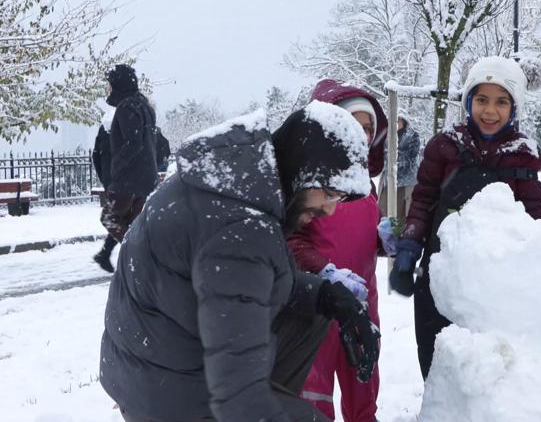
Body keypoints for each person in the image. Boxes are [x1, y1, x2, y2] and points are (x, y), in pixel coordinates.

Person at [99, 102, 381, 422]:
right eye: (329, 193)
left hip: (151, 363)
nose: (330, 209)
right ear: (303, 169)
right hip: (168, 392)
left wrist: (328, 297)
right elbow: (238, 401)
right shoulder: (241, 227)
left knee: (312, 313)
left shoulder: (243, 183)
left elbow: (255, 280)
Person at [389, 56, 541, 379]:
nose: (490, 111)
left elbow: (534, 222)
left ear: (514, 107)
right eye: (482, 99)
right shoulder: (444, 147)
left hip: (494, 284)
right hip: (439, 274)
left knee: (488, 371)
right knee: (439, 364)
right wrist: (408, 250)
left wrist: (536, 271)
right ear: (468, 101)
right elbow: (423, 201)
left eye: (501, 101)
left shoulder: (523, 155)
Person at [288, 79, 390, 422]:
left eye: (367, 128)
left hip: (362, 298)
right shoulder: (309, 181)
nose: (361, 135)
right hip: (318, 301)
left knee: (363, 374)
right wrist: (325, 271)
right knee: (314, 387)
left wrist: (383, 240)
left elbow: (360, 234)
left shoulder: (367, 185)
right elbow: (293, 239)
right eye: (352, 126)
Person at [102, 64, 158, 242]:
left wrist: (116, 165)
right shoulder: (144, 105)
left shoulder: (127, 106)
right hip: (145, 177)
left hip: (128, 180)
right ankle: (139, 259)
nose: (108, 88)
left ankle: (138, 255)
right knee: (132, 223)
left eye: (110, 83)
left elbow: (133, 142)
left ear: (117, 84)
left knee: (109, 218)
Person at [378, 111, 422, 220]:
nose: (393, 123)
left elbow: (411, 158)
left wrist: (390, 155)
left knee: (401, 216)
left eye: (397, 120)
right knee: (383, 212)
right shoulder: (386, 135)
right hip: (388, 180)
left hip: (405, 182)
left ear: (403, 120)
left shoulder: (412, 136)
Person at [92, 111, 119, 273]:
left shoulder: (104, 127)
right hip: (126, 181)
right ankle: (106, 253)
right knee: (123, 218)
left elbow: (95, 155)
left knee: (120, 217)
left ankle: (105, 253)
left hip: (112, 181)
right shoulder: (127, 123)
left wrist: (106, 179)